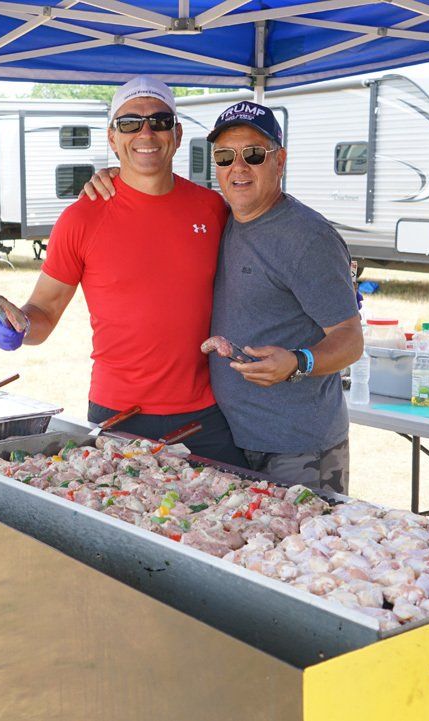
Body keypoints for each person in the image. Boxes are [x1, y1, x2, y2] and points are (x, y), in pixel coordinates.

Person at [83, 100, 363, 493]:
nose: (239, 167)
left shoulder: (308, 238)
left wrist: (297, 362)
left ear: (279, 161)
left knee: (295, 547)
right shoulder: (220, 215)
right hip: (228, 437)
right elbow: (157, 190)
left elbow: (350, 339)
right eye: (225, 157)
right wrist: (117, 173)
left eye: (253, 154)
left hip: (298, 446)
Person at [0, 77, 244, 465]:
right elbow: (45, 312)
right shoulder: (81, 219)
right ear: (112, 137)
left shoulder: (213, 209)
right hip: (120, 415)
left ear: (178, 133)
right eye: (130, 123)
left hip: (207, 412)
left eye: (160, 121)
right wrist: (19, 327)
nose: (146, 133)